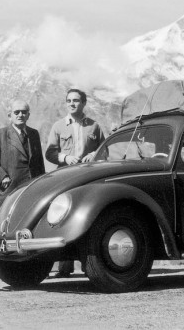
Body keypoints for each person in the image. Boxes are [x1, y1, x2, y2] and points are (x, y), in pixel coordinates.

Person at [45, 88, 106, 277]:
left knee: (84, 215)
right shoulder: (58, 126)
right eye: (69, 101)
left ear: (84, 103)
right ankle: (64, 265)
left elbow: (104, 150)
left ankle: (90, 264)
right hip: (65, 177)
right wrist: (65, 157)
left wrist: (92, 155)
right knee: (63, 216)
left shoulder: (94, 127)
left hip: (87, 178)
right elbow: (50, 152)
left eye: (76, 100)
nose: (72, 104)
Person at [0, 100, 45, 197]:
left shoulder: (34, 134)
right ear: (10, 116)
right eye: (16, 112)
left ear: (28, 115)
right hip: (9, 191)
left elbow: (39, 163)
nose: (20, 115)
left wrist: (41, 183)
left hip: (31, 190)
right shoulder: (0, 135)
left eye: (24, 112)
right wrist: (2, 177)